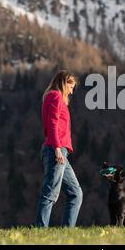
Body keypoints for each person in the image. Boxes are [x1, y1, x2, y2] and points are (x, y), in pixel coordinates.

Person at [35, 70, 83, 227]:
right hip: (56, 150)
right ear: (64, 83)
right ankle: (40, 230)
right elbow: (52, 124)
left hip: (60, 151)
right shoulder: (55, 96)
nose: (71, 91)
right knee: (50, 193)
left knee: (76, 193)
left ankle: (67, 231)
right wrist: (57, 148)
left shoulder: (51, 96)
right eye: (70, 87)